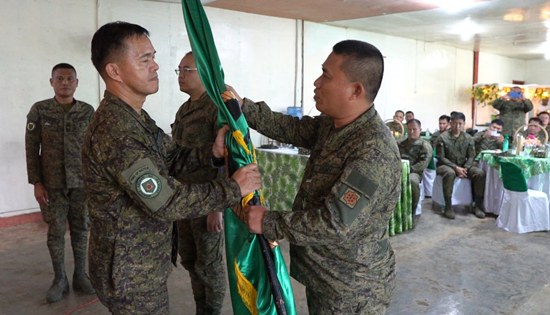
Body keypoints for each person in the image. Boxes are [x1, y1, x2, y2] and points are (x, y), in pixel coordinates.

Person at [83, 21, 261, 314]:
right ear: (114, 71)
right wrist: (233, 188)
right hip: (130, 274)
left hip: (142, 263)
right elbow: (165, 202)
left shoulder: (134, 119)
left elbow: (173, 158)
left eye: (153, 57)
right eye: (145, 59)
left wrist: (213, 152)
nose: (156, 67)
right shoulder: (117, 131)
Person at [233, 40, 401, 314]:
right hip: (328, 277)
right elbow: (291, 128)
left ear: (355, 90)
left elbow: (334, 223)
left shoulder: (372, 151)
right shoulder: (336, 126)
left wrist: (268, 221)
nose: (316, 82)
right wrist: (243, 107)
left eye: (326, 75)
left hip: (352, 290)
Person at [25, 63, 96, 303]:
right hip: (52, 185)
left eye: (69, 79)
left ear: (76, 82)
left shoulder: (87, 111)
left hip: (81, 183)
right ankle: (59, 279)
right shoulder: (40, 110)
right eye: (60, 78)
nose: (65, 82)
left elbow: (95, 148)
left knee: (82, 229)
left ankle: (80, 276)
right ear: (51, 82)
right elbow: (32, 147)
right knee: (55, 232)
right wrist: (36, 181)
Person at [171, 51, 226, 314]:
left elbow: (228, 159)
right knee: (190, 260)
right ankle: (201, 309)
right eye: (179, 70)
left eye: (186, 70)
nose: (180, 75)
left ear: (203, 72)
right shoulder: (184, 109)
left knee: (210, 266)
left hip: (206, 201)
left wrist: (218, 207)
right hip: (183, 200)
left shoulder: (216, 109)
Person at [436, 112, 486, 220]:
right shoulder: (442, 138)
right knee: (450, 173)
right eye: (454, 123)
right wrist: (455, 168)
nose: (457, 126)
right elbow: (441, 157)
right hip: (446, 165)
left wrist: (465, 168)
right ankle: (448, 206)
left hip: (463, 166)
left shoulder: (468, 138)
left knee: (479, 173)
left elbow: (471, 157)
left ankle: (477, 206)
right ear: (450, 123)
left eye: (460, 124)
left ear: (464, 124)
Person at [398, 119, 432, 224]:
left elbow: (423, 163)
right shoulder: (401, 143)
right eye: (409, 129)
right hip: (399, 170)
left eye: (414, 129)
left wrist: (408, 170)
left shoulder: (424, 145)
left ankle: (412, 212)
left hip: (414, 172)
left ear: (420, 130)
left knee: (412, 181)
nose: (412, 132)